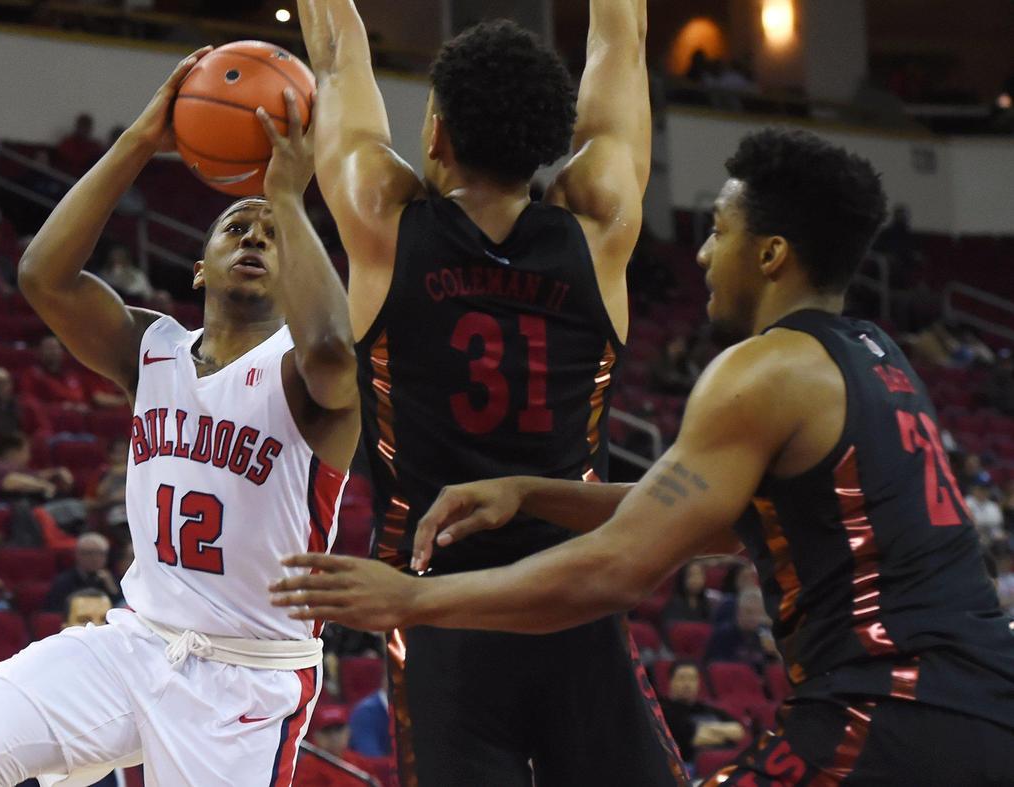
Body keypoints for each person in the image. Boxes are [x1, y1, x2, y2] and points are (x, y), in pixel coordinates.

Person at [274, 129, 1014, 784]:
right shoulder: (882, 359)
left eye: (717, 231)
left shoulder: (763, 370)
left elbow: (617, 568)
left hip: (883, 713)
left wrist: (411, 599)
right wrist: (529, 490)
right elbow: (718, 522)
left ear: (772, 254)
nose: (700, 252)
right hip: (986, 708)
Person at [0, 46, 359, 787]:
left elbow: (335, 354)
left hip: (246, 681)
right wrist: (139, 143)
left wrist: (288, 196)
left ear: (300, 272)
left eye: (271, 235)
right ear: (198, 266)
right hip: (135, 644)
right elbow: (42, 275)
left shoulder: (305, 371)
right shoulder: (148, 348)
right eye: (236, 229)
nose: (253, 238)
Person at [296, 1, 683, 784]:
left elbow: (338, 57)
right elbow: (621, 41)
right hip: (573, 590)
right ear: (549, 141)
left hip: (439, 606)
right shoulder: (600, 222)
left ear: (436, 134)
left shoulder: (382, 221)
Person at [658, 661, 745, 768]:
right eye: (682, 678)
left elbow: (738, 731)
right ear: (670, 681)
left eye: (692, 679)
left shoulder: (707, 708)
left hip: (723, 766)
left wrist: (705, 729)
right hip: (689, 767)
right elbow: (694, 739)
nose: (687, 684)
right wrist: (724, 734)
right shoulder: (665, 710)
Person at [294, 704, 388, 787]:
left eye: (339, 730)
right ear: (315, 735)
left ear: (348, 731)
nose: (334, 738)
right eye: (327, 732)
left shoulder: (358, 761)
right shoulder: (308, 767)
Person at [704, 587, 779, 673]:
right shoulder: (723, 635)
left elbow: (772, 670)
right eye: (749, 612)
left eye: (758, 612)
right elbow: (716, 668)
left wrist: (776, 654)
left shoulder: (764, 636)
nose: (754, 618)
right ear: (739, 612)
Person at [43, 533, 123, 613]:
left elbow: (122, 608)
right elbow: (54, 610)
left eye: (99, 553)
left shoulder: (115, 579)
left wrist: (112, 588)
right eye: (88, 553)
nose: (94, 558)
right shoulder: (64, 581)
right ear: (77, 555)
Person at [0, 367, 52, 439]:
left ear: (10, 384)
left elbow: (44, 429)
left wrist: (29, 441)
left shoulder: (28, 404)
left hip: (24, 448)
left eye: (2, 383)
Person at [19, 336, 89, 410]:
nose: (53, 352)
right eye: (49, 348)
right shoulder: (32, 374)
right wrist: (58, 406)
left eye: (56, 348)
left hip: (75, 415)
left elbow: (80, 396)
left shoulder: (71, 374)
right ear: (39, 351)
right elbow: (29, 400)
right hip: (50, 415)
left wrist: (80, 405)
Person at [54, 113, 104, 178]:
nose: (84, 129)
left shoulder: (95, 148)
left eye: (86, 126)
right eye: (82, 126)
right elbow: (59, 164)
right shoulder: (67, 143)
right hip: (65, 178)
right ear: (77, 126)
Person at [661, 560, 711, 624]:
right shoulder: (674, 604)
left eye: (699, 575)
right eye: (691, 575)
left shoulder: (706, 603)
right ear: (683, 578)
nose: (696, 580)